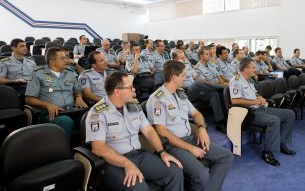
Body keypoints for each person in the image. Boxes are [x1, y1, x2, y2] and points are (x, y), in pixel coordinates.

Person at [85, 72, 184, 191]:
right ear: (117, 91)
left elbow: (149, 131)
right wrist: (127, 164)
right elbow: (98, 148)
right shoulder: (97, 113)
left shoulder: (134, 106)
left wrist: (162, 152)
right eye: (130, 87)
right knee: (139, 187)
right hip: (113, 163)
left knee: (174, 172)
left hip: (138, 155)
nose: (134, 90)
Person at [146, 60, 234, 191]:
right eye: (183, 75)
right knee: (201, 174)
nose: (185, 78)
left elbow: (196, 114)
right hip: (173, 145)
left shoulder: (180, 94)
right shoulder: (157, 99)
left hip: (190, 138)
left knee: (226, 156)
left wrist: (202, 129)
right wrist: (191, 148)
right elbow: (161, 132)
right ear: (174, 77)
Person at [229, 58, 296, 166]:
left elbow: (254, 94)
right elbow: (235, 100)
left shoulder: (249, 80)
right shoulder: (236, 80)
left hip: (260, 108)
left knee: (289, 114)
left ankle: (280, 143)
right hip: (249, 113)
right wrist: (255, 101)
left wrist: (261, 99)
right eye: (253, 67)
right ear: (246, 69)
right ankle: (267, 152)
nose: (255, 69)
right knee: (274, 120)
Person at [25, 47, 88, 138]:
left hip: (72, 110)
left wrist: (78, 97)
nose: (66, 60)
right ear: (52, 61)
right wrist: (47, 105)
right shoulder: (38, 73)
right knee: (66, 121)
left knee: (90, 116)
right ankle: (62, 149)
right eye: (62, 58)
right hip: (51, 113)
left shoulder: (70, 72)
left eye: (66, 57)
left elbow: (77, 89)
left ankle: (85, 148)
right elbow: (29, 99)